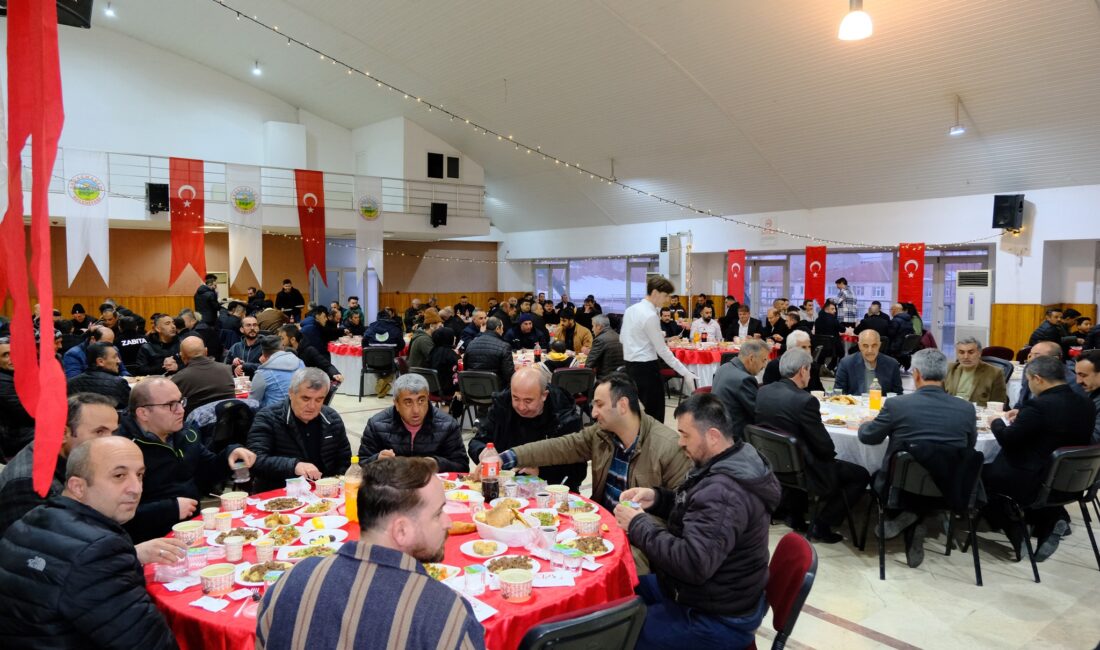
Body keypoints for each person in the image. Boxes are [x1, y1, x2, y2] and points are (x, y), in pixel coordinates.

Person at [256, 457, 484, 650]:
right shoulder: (445, 615)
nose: (449, 522)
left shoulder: (290, 582)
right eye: (438, 513)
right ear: (401, 531)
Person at [614, 393, 780, 649]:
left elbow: (692, 563)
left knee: (617, 634)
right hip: (708, 593)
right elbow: (697, 511)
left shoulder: (725, 492)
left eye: (685, 435)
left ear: (712, 436)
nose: (680, 442)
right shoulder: (731, 459)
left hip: (716, 616)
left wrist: (637, 524)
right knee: (618, 588)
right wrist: (657, 499)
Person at [0, 437, 179, 649]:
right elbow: (148, 643)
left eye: (139, 475)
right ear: (78, 487)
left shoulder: (29, 520)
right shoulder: (98, 550)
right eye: (119, 476)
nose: (136, 488)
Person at [496, 373, 692, 511]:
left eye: (599, 405)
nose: (594, 413)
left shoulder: (669, 447)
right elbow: (559, 447)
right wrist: (508, 457)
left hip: (639, 539)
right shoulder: (601, 434)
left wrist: (638, 525)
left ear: (623, 405)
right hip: (599, 522)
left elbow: (681, 509)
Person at [858, 349, 977, 567]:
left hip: (899, 487)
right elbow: (969, 447)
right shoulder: (966, 409)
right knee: (926, 474)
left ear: (916, 374)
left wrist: (866, 422)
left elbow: (868, 437)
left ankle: (910, 517)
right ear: (945, 375)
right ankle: (916, 521)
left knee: (888, 475)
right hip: (949, 487)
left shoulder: (898, 405)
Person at [983, 355, 1095, 561]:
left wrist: (996, 422)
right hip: (1069, 479)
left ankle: (1017, 533)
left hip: (1033, 478)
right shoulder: (1086, 404)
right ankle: (1051, 521)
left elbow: (1008, 439)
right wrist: (1024, 417)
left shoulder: (1040, 406)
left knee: (981, 478)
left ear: (1038, 379)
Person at [756, 349, 870, 543]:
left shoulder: (763, 391)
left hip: (772, 462)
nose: (811, 374)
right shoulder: (805, 401)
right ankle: (823, 524)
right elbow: (825, 448)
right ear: (802, 370)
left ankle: (795, 513)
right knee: (860, 474)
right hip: (804, 470)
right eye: (809, 370)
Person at [123, 378, 255, 543]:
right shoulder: (123, 448)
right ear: (143, 413)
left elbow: (207, 473)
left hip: (194, 530)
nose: (181, 410)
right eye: (171, 405)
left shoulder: (185, 434)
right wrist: (171, 509)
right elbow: (116, 515)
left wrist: (230, 453)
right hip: (150, 542)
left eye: (181, 402)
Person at [0, 393, 120, 538]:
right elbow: (36, 551)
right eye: (99, 432)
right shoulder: (29, 485)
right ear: (63, 433)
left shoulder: (75, 458)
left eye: (114, 432)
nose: (112, 441)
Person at [468, 367, 585, 491]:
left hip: (548, 491)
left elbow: (578, 470)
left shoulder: (564, 416)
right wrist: (483, 453)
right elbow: (477, 442)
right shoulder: (502, 406)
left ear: (544, 395)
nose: (521, 407)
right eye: (516, 398)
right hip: (505, 487)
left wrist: (542, 471)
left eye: (528, 401)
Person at [246, 368, 352, 491]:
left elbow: (345, 461)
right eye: (305, 399)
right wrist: (293, 466)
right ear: (291, 393)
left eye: (319, 400)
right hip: (279, 493)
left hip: (325, 493)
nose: (312, 406)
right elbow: (255, 461)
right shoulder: (268, 418)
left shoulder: (331, 418)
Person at [621, 275, 699, 421]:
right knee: (654, 414)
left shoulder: (630, 310)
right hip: (647, 369)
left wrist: (654, 336)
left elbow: (622, 339)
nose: (667, 300)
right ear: (655, 293)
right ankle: (654, 443)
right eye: (665, 295)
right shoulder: (650, 315)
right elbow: (662, 351)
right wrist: (685, 372)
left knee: (636, 414)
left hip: (630, 366)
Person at [358, 374, 468, 473]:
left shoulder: (447, 425)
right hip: (391, 490)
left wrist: (437, 463)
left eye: (421, 401)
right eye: (408, 402)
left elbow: (462, 467)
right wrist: (377, 460)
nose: (416, 410)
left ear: (428, 398)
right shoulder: (377, 424)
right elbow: (360, 465)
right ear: (396, 403)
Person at [710, 339, 769, 441]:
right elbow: (758, 414)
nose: (764, 366)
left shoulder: (724, 367)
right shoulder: (744, 379)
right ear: (751, 359)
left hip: (717, 428)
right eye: (763, 360)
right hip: (735, 438)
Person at [170, 336, 236, 415]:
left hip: (198, 426)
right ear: (206, 351)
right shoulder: (227, 369)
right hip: (229, 422)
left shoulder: (179, 378)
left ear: (182, 356)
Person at [1010, 341, 1086, 408]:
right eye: (1030, 354)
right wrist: (1017, 409)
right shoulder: (1029, 368)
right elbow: (1023, 395)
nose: (1031, 359)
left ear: (1055, 359)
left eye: (1037, 355)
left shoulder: (1071, 381)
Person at [834, 330, 903, 395]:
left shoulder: (892, 364)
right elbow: (839, 393)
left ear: (879, 345)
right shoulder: (846, 363)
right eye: (865, 346)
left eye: (874, 345)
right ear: (859, 346)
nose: (870, 350)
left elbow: (898, 394)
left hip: (882, 406)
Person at [943, 336, 1008, 405]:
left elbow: (998, 403)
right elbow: (938, 396)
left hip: (978, 413)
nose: (966, 357)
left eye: (971, 352)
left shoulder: (995, 373)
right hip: (951, 411)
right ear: (957, 354)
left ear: (979, 353)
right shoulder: (948, 369)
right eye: (961, 352)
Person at [67, 341, 131, 409]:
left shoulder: (71, 383)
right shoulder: (119, 383)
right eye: (115, 357)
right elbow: (129, 410)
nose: (119, 361)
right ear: (100, 362)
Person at [0, 337, 35, 459]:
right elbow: (28, 413)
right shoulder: (2, 382)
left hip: (22, 427)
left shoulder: (16, 374)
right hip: (12, 435)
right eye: (6, 355)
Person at [250, 335, 305, 408]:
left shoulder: (262, 373)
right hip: (301, 410)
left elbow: (253, 402)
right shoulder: (300, 362)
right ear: (282, 347)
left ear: (263, 353)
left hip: (275, 415)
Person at [761, 330, 825, 392]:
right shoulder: (775, 366)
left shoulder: (812, 366)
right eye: (803, 347)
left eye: (809, 347)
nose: (808, 351)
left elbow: (819, 391)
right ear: (790, 349)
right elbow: (769, 393)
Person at [279, 324, 344, 385]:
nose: (280, 342)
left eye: (282, 338)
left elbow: (327, 366)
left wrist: (335, 374)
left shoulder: (309, 350)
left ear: (293, 339)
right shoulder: (284, 352)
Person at [463, 316, 515, 386]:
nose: (503, 331)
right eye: (502, 328)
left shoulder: (471, 343)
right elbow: (509, 375)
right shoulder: (504, 346)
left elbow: (465, 368)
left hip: (472, 387)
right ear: (497, 328)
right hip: (495, 390)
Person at [62, 325, 129, 379]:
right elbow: (74, 381)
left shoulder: (113, 349)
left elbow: (123, 370)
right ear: (93, 339)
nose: (109, 347)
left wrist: (127, 378)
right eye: (105, 343)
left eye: (111, 344)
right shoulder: (73, 354)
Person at [586, 314, 624, 381]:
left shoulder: (600, 339)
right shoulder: (618, 336)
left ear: (599, 327)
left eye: (593, 326)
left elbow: (589, 364)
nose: (592, 329)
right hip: (620, 378)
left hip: (604, 380)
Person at [1074, 349, 1100, 443]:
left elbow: (1094, 441)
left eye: (1083, 375)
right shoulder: (1093, 391)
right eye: (1077, 375)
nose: (1078, 381)